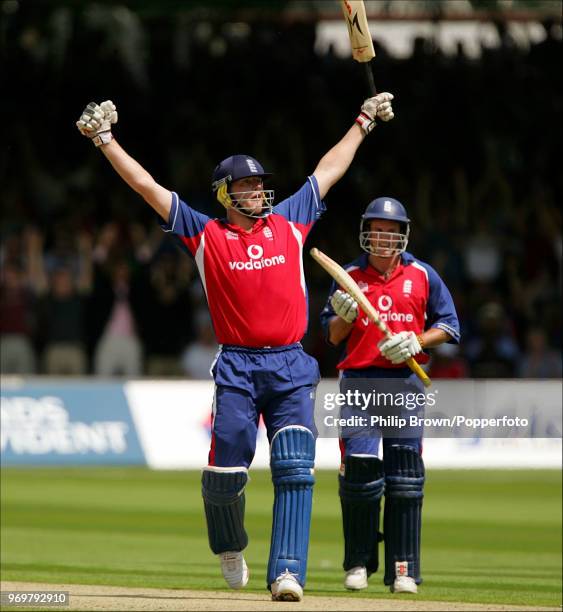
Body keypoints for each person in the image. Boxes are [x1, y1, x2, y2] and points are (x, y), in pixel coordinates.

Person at [76, 92, 395, 602]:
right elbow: (147, 187)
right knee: (225, 476)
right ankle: (229, 544)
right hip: (239, 368)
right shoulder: (205, 234)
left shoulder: (290, 223)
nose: (257, 192)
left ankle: (287, 572)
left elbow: (328, 169)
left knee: (295, 465)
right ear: (225, 193)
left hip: (291, 363)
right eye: (246, 185)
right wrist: (104, 140)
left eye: (260, 185)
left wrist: (364, 120)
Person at [320, 197, 460, 594]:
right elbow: (331, 337)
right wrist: (344, 318)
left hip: (405, 385)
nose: (382, 237)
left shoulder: (423, 275)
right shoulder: (349, 275)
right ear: (367, 232)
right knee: (360, 479)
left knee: (405, 480)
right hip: (361, 384)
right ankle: (358, 563)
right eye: (376, 229)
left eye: (390, 230)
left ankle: (404, 569)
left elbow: (449, 326)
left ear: (403, 234)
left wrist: (416, 339)